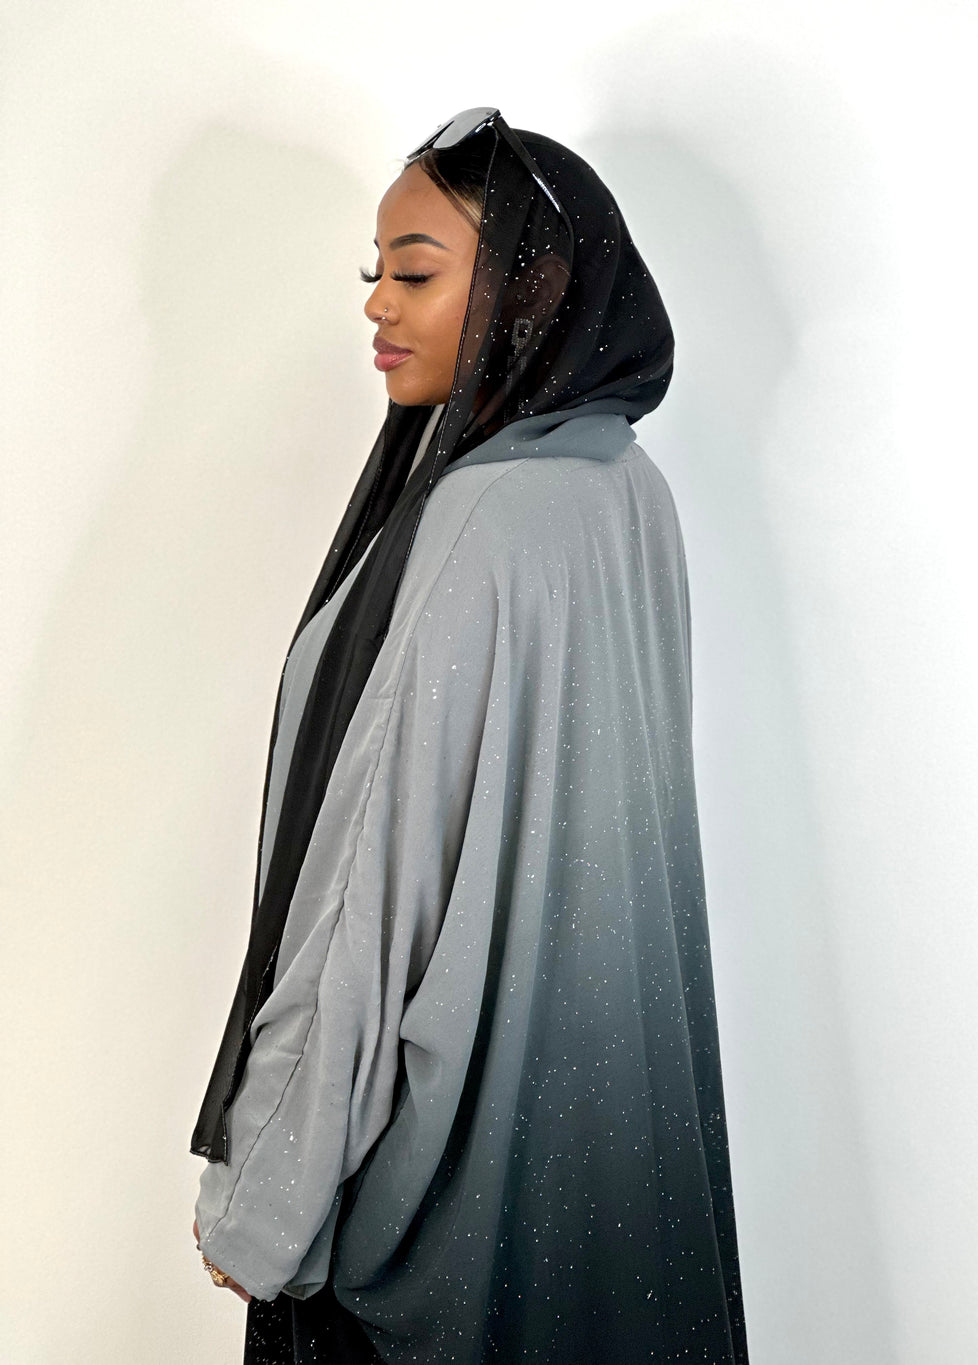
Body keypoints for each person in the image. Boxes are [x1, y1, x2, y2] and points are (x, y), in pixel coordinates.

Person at [190, 108, 748, 1365]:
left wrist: (261, 1197)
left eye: (417, 272)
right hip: (601, 1163)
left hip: (453, 1196)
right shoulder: (622, 489)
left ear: (532, 288)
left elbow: (369, 893)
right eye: (375, 271)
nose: (377, 304)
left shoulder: (482, 517)